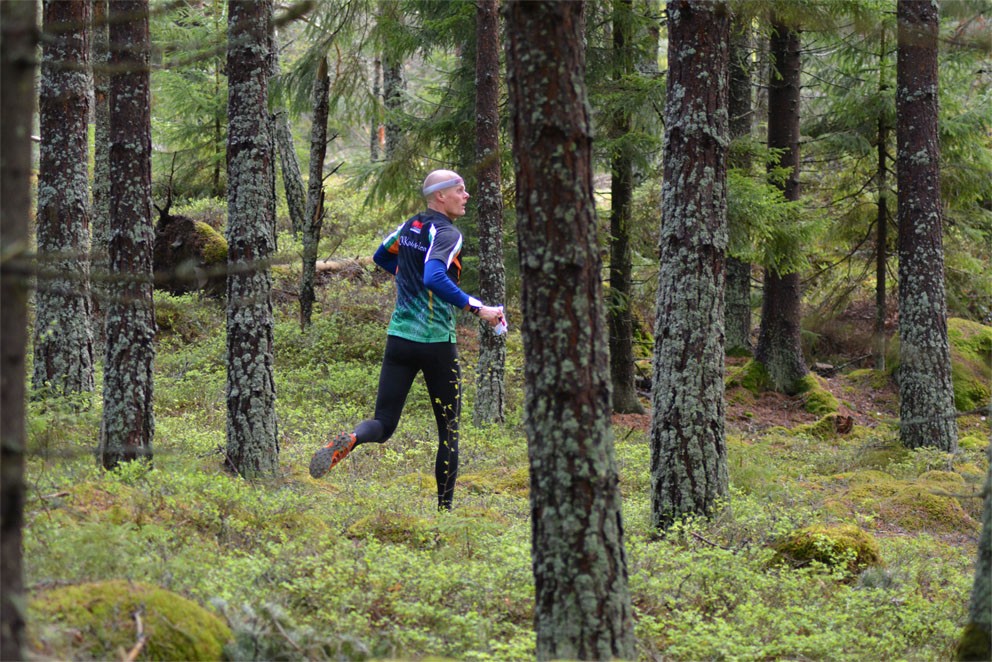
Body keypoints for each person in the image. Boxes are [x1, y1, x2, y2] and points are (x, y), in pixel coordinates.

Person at [309, 169, 504, 510]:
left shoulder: (411, 225)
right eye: (460, 189)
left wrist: (406, 274)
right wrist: (478, 308)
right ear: (440, 196)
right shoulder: (447, 233)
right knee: (449, 432)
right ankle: (445, 511)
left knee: (383, 424)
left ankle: (352, 438)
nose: (467, 195)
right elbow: (434, 275)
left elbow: (382, 256)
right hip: (436, 345)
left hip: (399, 339)